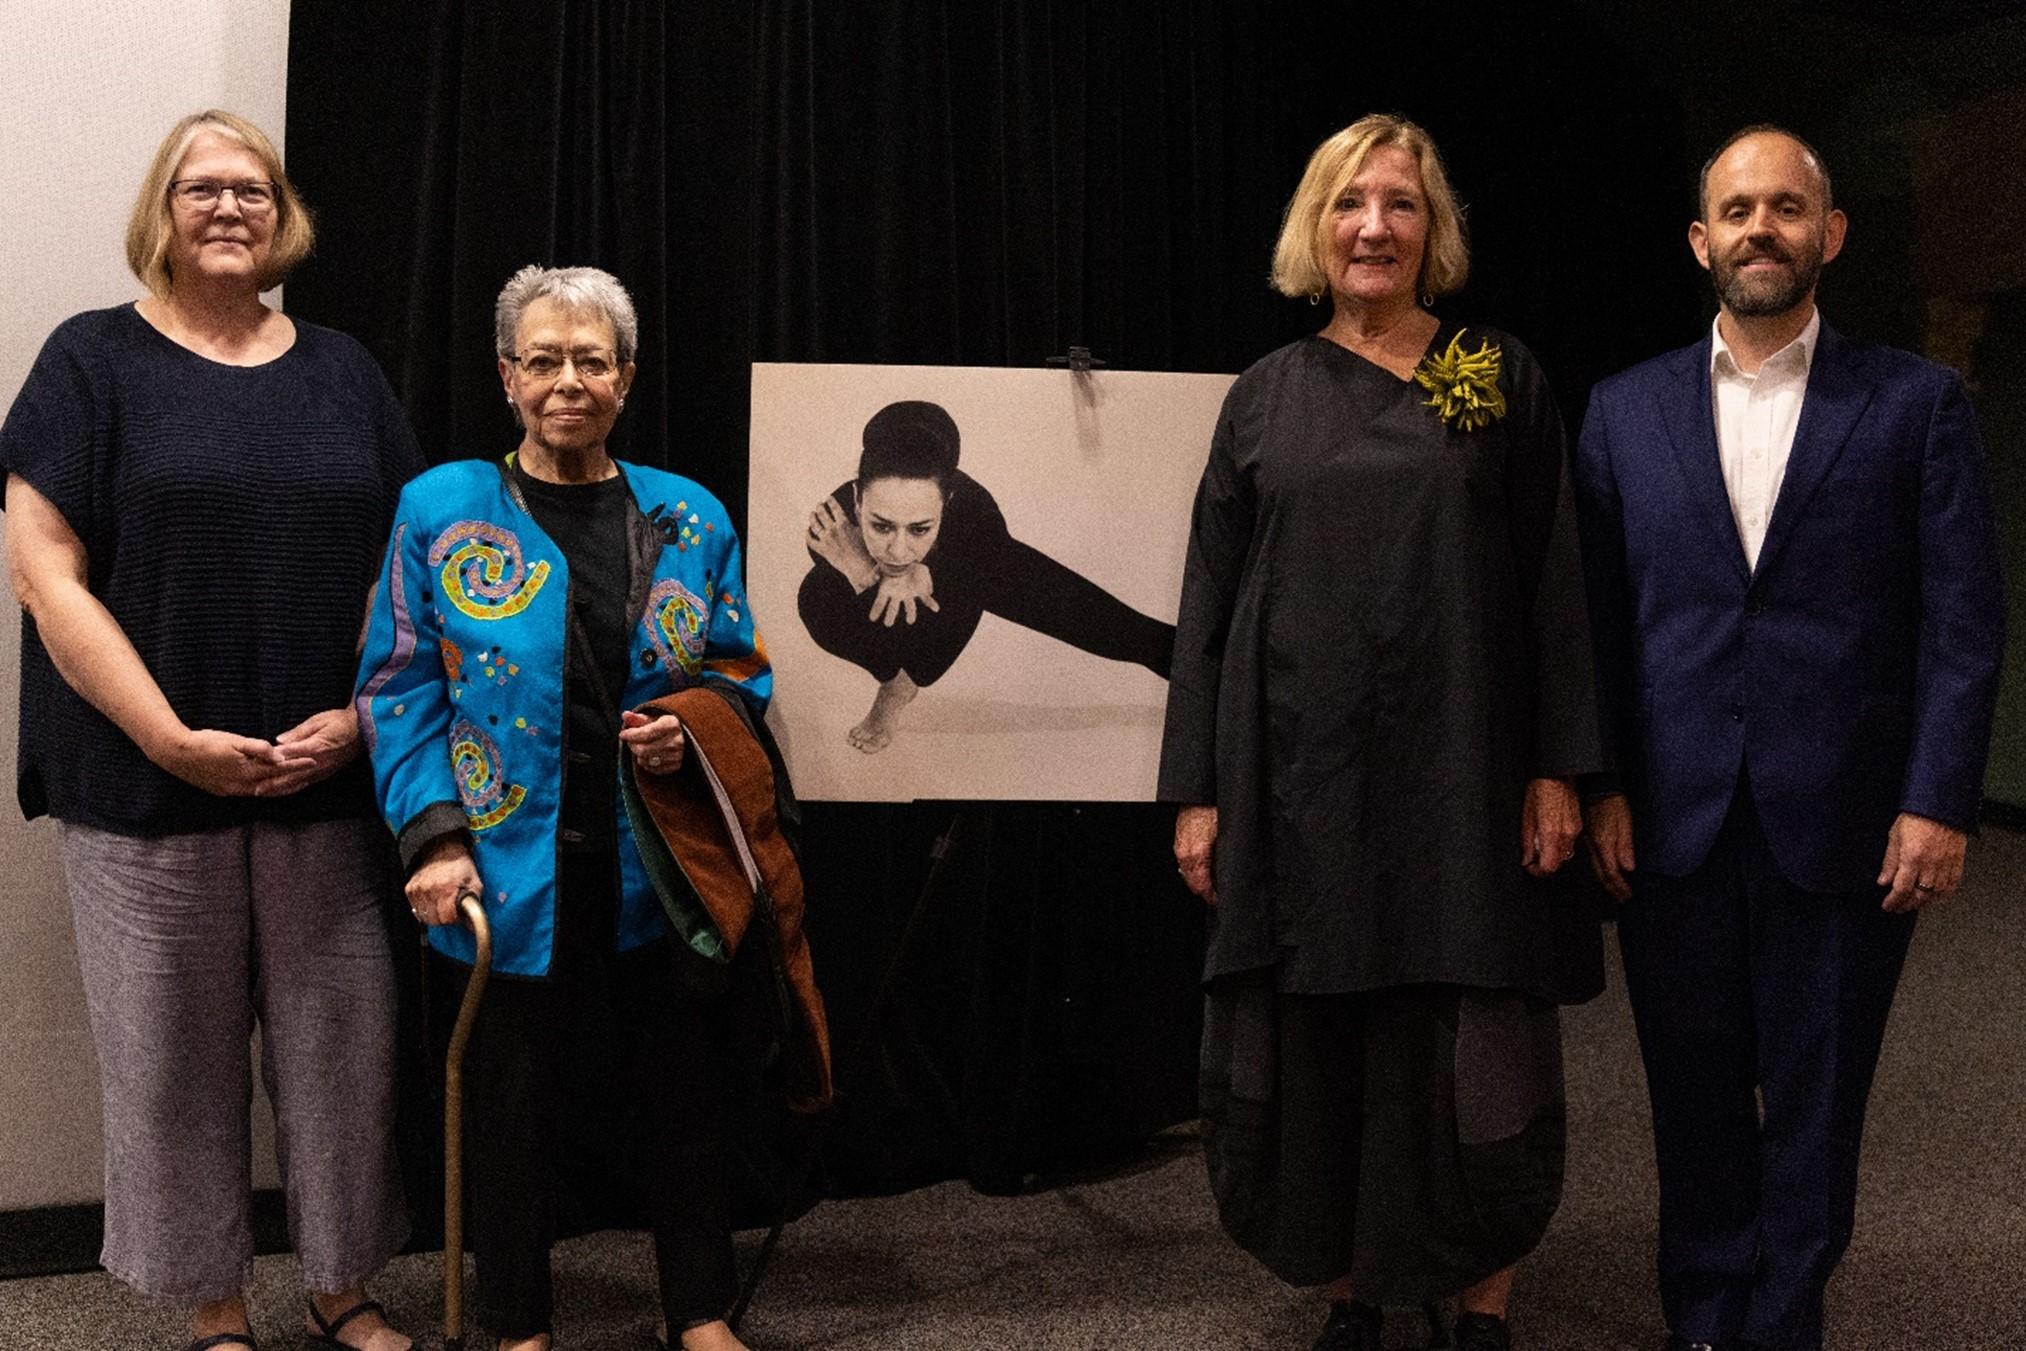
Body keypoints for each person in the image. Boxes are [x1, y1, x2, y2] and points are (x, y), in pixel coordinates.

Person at [1159, 115, 1605, 1351]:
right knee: (1328, 1048)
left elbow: (1552, 583)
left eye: (1401, 204)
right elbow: (1207, 603)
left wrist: (1557, 768)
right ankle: (1351, 1295)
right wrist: (1198, 789)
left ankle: (1481, 1307)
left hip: (1465, 781)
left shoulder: (1497, 374)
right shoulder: (1264, 397)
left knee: (1472, 1038)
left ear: (1432, 229)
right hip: (1302, 794)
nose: (1374, 227)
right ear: (1316, 229)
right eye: (1350, 203)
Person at [1573, 126, 2004, 1351]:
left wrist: (1937, 800)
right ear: (1699, 239)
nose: (1759, 227)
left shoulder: (1915, 404)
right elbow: (1589, 626)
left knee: (1818, 1103)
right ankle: (1706, 1321)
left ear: (1830, 233)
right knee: (1691, 1095)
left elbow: (1962, 621)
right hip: (1672, 822)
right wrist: (1600, 786)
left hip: (1846, 823)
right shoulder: (1619, 412)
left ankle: (1782, 1322)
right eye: (1736, 209)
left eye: (1785, 206)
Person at [0, 110, 417, 1351]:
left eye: (251, 188)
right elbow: (45, 576)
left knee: (343, 1051)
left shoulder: (343, 369)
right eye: (201, 188)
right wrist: (169, 737)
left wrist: (363, 714)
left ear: (282, 215)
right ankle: (215, 1306)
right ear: (162, 212)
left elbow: (407, 561)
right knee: (171, 1063)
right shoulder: (90, 361)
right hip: (143, 785)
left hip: (320, 778)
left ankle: (341, 1286)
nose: (229, 206)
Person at [355, 264, 768, 1351]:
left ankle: (700, 1311)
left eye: (591, 360)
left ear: (625, 377)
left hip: (658, 862)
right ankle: (517, 1325)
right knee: (508, 1109)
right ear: (507, 376)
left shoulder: (689, 515)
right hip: (501, 869)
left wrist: (693, 726)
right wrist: (434, 838)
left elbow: (738, 667)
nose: (567, 381)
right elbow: (397, 687)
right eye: (543, 360)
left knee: (684, 1096)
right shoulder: (440, 507)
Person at [799, 399, 1173, 751]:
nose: (898, 550)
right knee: (817, 594)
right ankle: (895, 685)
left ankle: (1179, 655)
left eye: (920, 529)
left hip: (960, 591)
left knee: (1104, 622)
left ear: (946, 504)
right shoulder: (835, 519)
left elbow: (1024, 587)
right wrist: (865, 570)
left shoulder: (976, 515)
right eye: (881, 526)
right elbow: (822, 560)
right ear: (858, 500)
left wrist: (932, 570)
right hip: (892, 619)